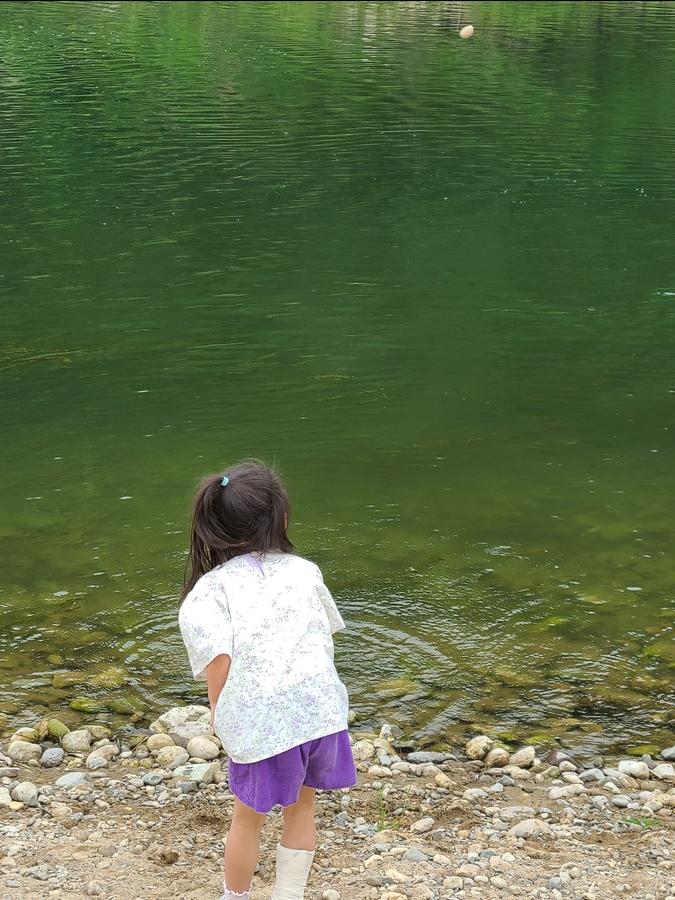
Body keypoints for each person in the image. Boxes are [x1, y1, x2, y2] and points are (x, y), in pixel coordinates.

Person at [178, 460, 356, 900]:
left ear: (212, 525)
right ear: (282, 518)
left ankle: (235, 898)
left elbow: (218, 661)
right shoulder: (305, 571)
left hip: (262, 721)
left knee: (247, 818)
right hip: (320, 711)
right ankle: (288, 895)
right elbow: (320, 637)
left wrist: (220, 715)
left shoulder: (210, 591)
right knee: (303, 808)